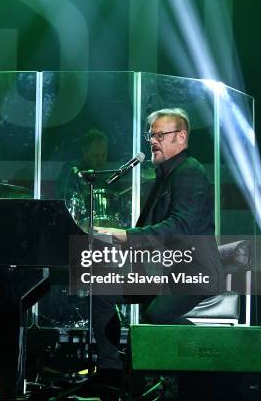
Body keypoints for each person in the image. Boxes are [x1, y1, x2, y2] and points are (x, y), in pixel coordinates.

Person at [90, 108, 223, 387]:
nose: (152, 140)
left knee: (158, 314)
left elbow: (182, 226)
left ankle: (218, 353)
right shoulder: (164, 175)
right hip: (165, 270)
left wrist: (127, 235)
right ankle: (110, 373)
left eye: (160, 135)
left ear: (181, 137)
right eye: (151, 135)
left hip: (194, 269)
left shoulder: (190, 171)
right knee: (101, 292)